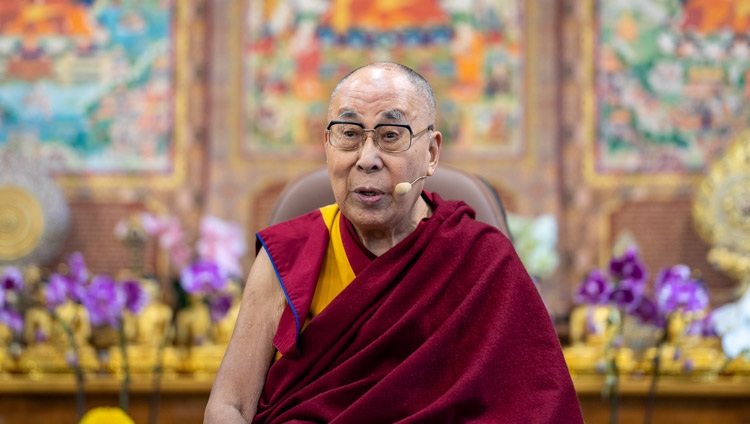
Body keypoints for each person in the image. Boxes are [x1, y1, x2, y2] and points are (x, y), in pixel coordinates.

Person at [204, 62, 583, 423]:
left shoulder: (481, 260)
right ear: (327, 146)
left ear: (431, 153)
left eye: (391, 136)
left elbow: (537, 408)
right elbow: (229, 406)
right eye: (349, 135)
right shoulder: (288, 257)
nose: (367, 159)